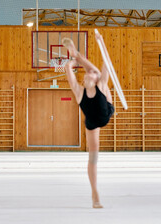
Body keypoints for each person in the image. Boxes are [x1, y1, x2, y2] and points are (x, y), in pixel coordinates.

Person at [63, 33, 114, 209]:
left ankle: (76, 53)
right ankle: (94, 193)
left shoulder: (101, 84)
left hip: (106, 113)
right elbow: (70, 75)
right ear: (85, 79)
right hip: (91, 122)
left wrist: (102, 42)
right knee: (93, 158)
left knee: (101, 73)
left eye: (92, 73)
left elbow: (107, 62)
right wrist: (70, 64)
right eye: (89, 74)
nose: (92, 74)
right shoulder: (79, 92)